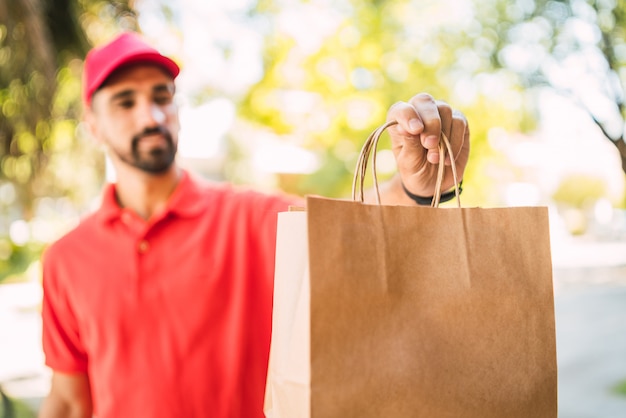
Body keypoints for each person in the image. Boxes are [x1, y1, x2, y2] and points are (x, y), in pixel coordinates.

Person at [38, 32, 470, 418]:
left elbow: (354, 223)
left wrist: (413, 186)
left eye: (161, 96)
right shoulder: (66, 259)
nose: (151, 116)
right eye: (125, 102)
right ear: (92, 124)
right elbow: (72, 399)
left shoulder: (247, 218)